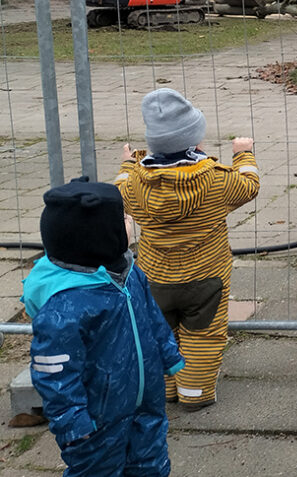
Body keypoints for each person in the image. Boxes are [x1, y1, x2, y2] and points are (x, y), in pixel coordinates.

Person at [22, 178, 184, 477]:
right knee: (98, 471)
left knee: (151, 463)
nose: (130, 219)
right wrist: (72, 421)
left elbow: (150, 315)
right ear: (96, 236)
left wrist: (168, 352)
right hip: (96, 420)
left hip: (146, 402)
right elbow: (53, 371)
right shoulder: (66, 305)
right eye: (122, 217)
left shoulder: (129, 272)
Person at [115, 87, 259, 411]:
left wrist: (127, 163)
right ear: (195, 142)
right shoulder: (215, 180)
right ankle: (195, 392)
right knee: (203, 335)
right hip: (206, 277)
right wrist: (244, 154)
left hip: (155, 277)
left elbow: (119, 192)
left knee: (160, 331)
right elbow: (250, 186)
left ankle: (166, 388)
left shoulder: (136, 182)